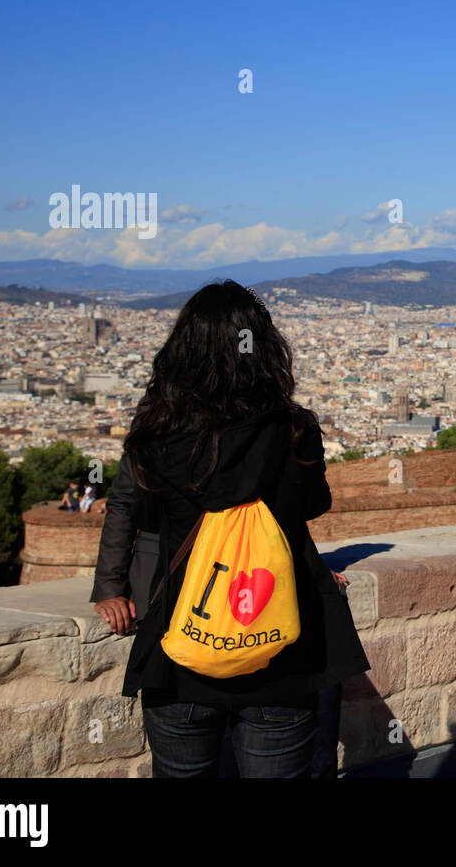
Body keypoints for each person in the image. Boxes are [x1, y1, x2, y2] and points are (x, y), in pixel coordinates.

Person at [91, 280, 370, 778]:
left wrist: (111, 586)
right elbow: (313, 503)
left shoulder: (156, 430)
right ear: (262, 349)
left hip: (179, 649)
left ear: (183, 350)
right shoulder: (293, 429)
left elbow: (126, 504)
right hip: (279, 658)